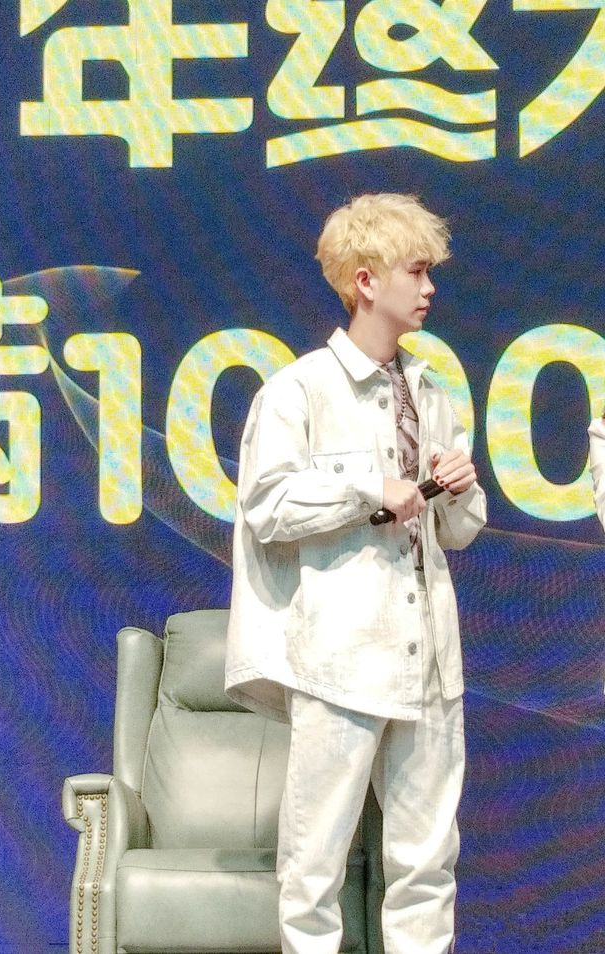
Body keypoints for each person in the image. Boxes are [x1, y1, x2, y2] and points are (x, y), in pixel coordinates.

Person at [225, 193, 487, 954]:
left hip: (429, 657)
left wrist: (458, 488)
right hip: (340, 660)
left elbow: (459, 533)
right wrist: (368, 488)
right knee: (314, 869)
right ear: (366, 281)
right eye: (416, 271)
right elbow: (267, 506)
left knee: (427, 866)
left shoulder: (430, 393)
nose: (429, 287)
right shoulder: (299, 390)